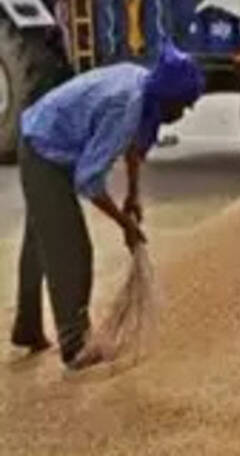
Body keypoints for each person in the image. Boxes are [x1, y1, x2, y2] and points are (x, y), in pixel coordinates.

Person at [10, 43, 204, 369]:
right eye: (182, 106)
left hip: (48, 138)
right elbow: (89, 180)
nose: (182, 114)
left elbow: (134, 145)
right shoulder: (126, 105)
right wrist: (124, 224)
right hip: (43, 150)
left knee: (41, 240)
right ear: (167, 97)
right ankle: (75, 345)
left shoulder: (144, 85)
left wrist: (133, 194)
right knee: (71, 249)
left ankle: (27, 328)